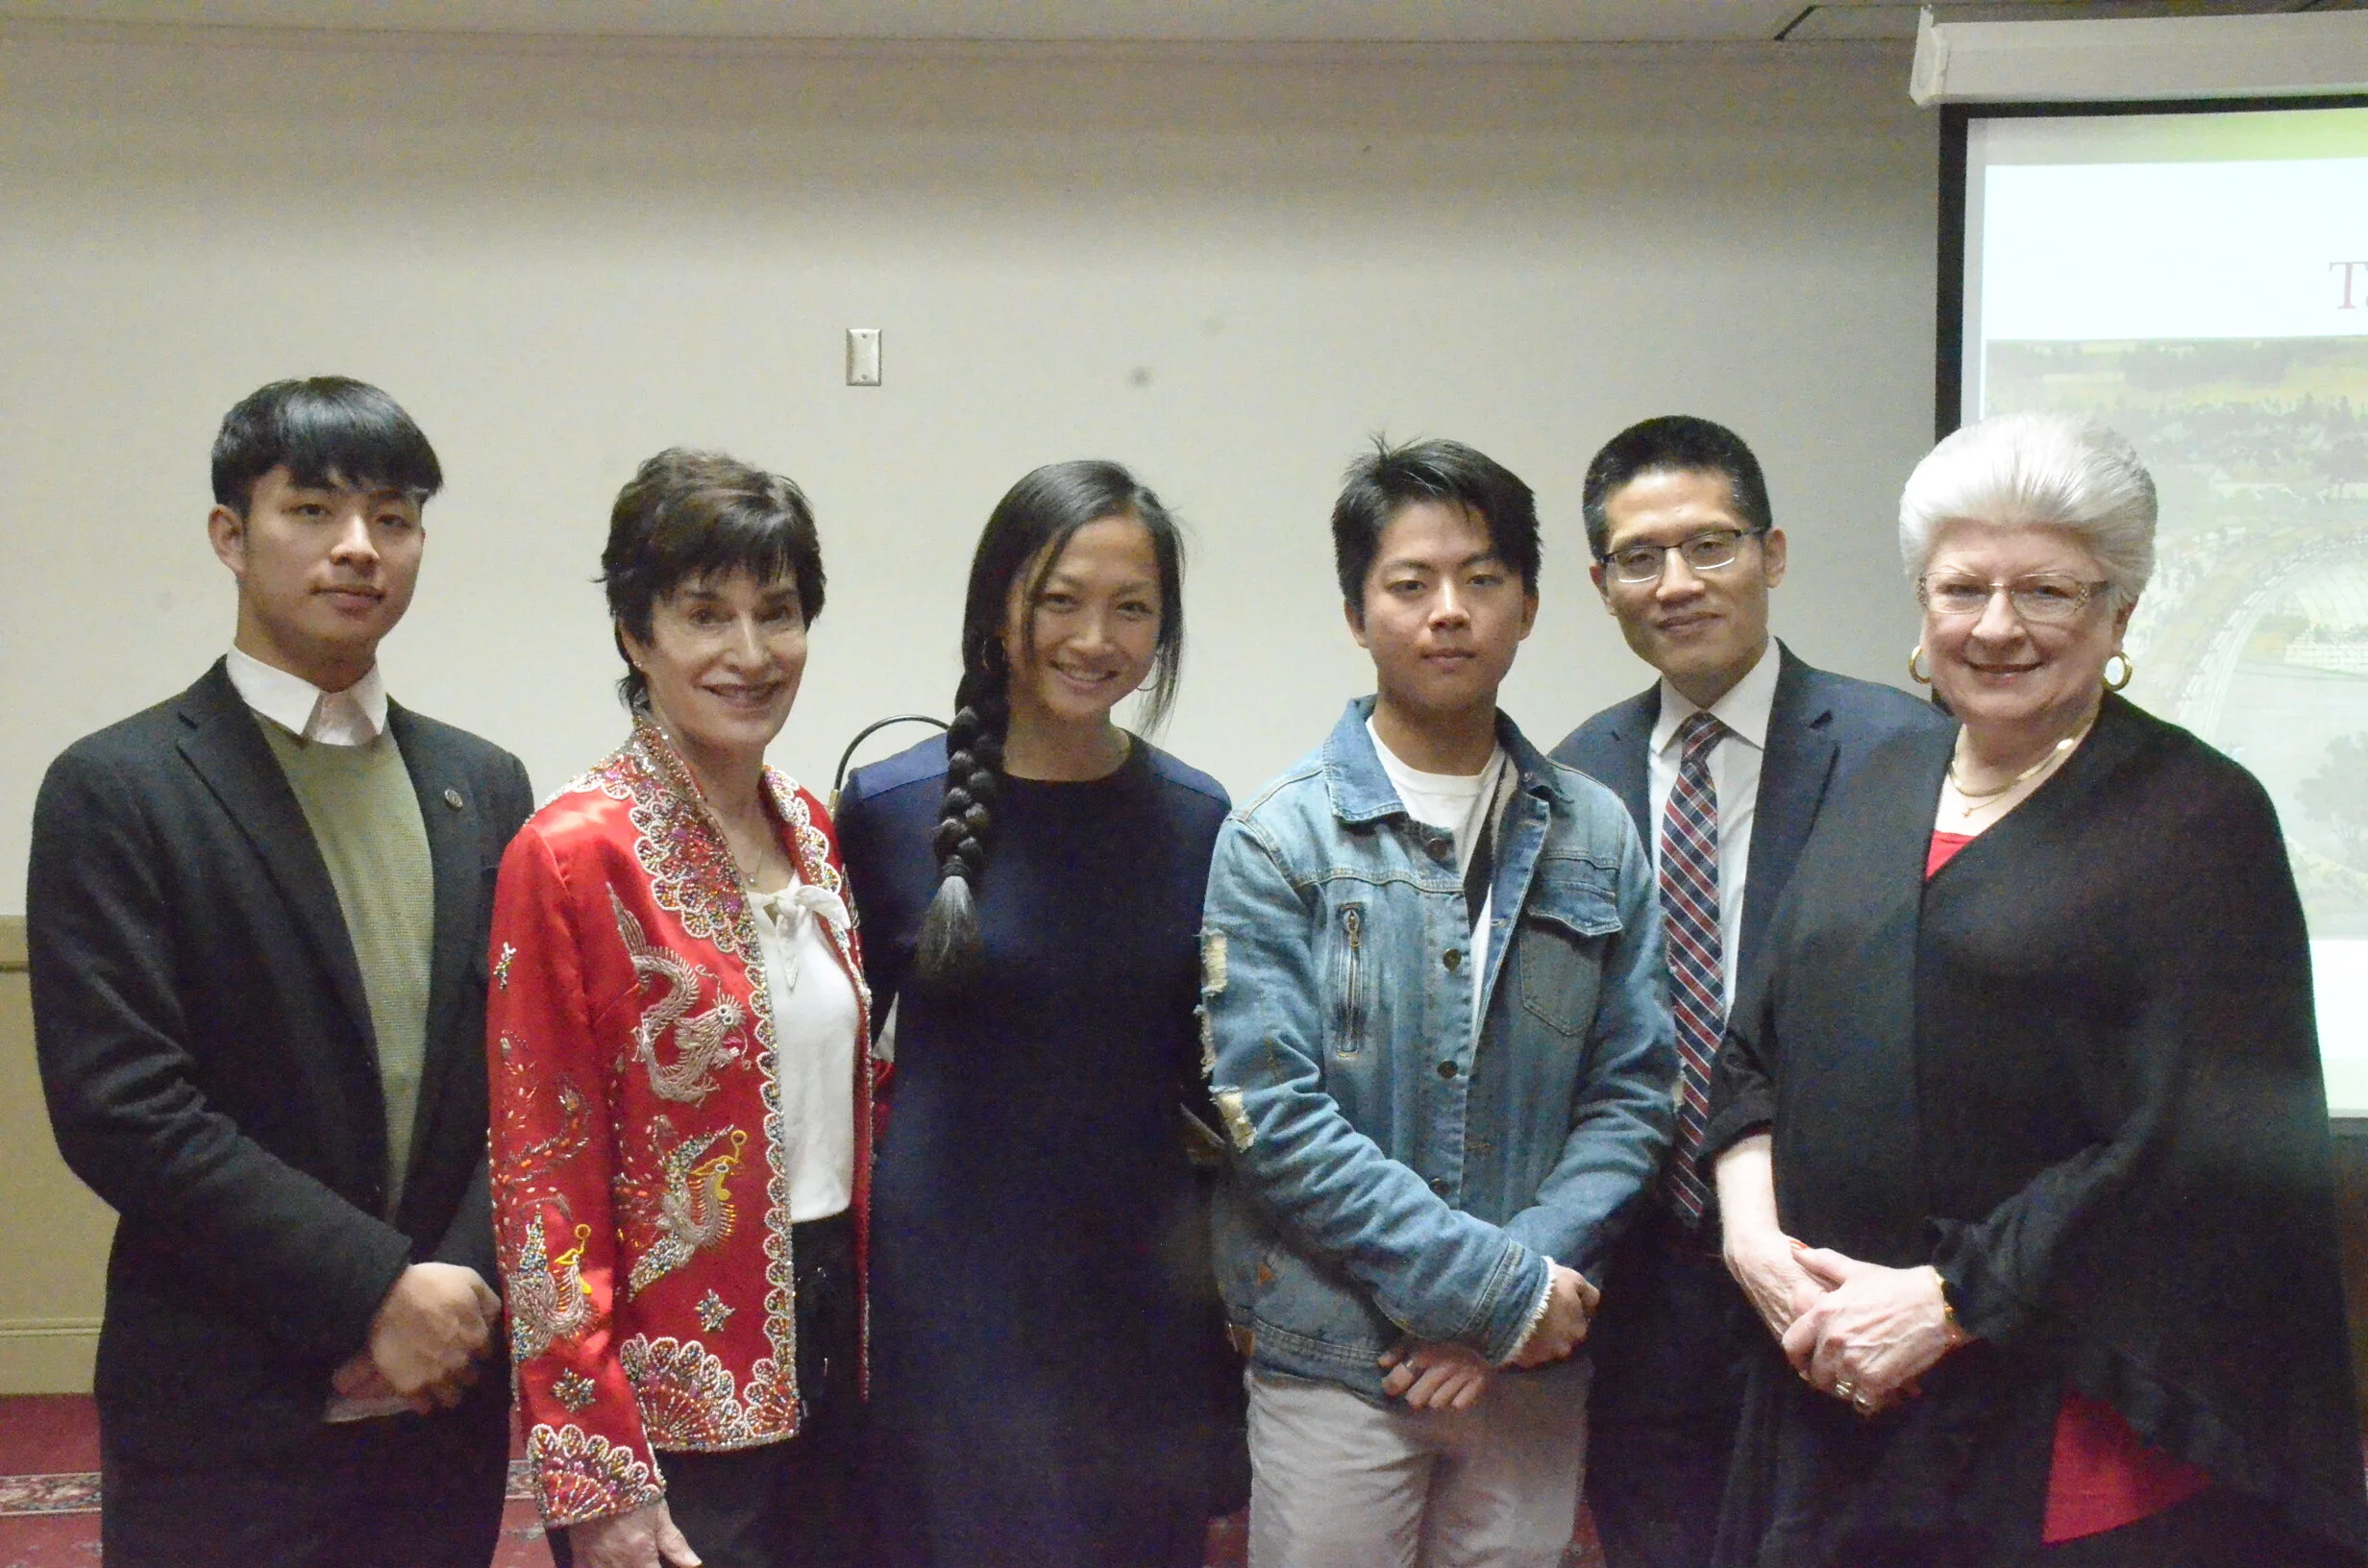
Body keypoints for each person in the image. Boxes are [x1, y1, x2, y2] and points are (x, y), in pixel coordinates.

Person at [1703, 410, 2368, 1567]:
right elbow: (1757, 1047)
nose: (1997, 626)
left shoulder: (2196, 818)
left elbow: (2192, 1142)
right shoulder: (1878, 784)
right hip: (1831, 1383)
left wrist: (1943, 1303)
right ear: (1921, 607)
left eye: (2047, 592)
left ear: (2119, 612)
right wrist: (1753, 1241)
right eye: (1963, 589)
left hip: (2061, 1418)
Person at [27, 377, 532, 1567]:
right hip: (228, 1398)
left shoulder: (484, 784)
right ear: (229, 537)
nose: (359, 549)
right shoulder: (122, 787)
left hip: (442, 1401)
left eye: (395, 518)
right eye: (312, 510)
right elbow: (124, 1110)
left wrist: (455, 1291)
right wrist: (375, 1291)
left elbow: (523, 1078)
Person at [1202, 437, 1676, 1568]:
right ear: (1357, 613)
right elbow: (1271, 1111)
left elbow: (1632, 1095)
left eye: (1482, 580)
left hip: (1528, 1372)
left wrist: (1510, 1308)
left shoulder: (1597, 834)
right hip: (1336, 1353)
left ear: (1529, 605)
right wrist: (1487, 1291)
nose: (1448, 612)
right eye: (1409, 584)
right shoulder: (1280, 835)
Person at [1551, 415, 1946, 1568]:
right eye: (1640, 558)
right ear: (1602, 583)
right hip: (1642, 1282)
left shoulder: (1902, 750)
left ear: (1771, 555)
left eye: (1710, 546)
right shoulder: (1576, 776)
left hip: (1837, 1271)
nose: (1676, 583)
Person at [834, 459, 1237, 1568]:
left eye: (1131, 607)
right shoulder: (888, 807)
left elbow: (1221, 1081)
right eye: (1059, 599)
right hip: (953, 1292)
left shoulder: (1200, 819)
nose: (1093, 636)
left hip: (1138, 1291)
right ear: (996, 604)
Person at [487, 449, 879, 1568]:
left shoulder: (813, 826)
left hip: (834, 1346)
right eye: (706, 615)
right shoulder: (571, 855)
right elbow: (538, 1182)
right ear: (635, 634)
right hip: (667, 1387)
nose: (750, 654)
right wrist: (596, 1468)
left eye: (780, 613)